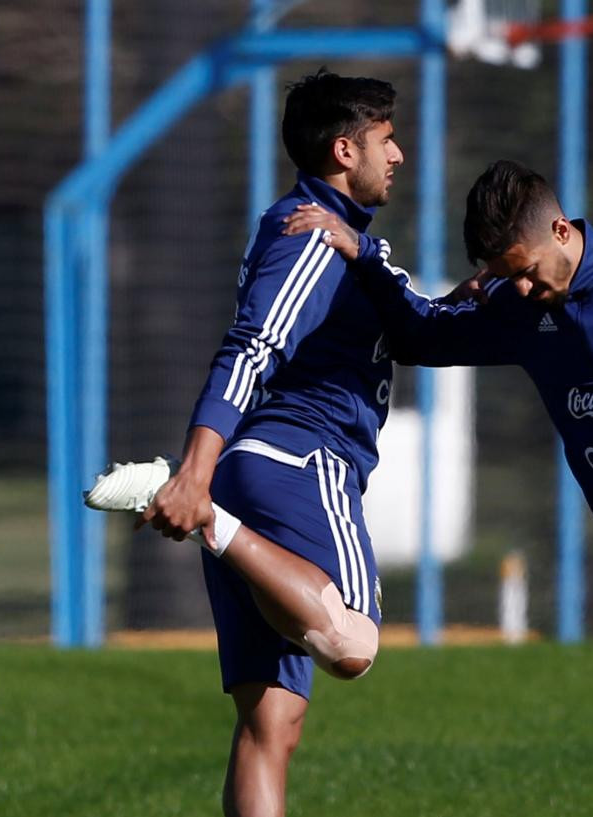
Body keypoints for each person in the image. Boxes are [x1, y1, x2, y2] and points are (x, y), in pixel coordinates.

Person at [287, 158, 593, 816]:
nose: (524, 288)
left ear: (561, 229)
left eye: (527, 269)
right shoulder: (515, 308)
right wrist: (363, 253)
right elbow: (417, 333)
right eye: (507, 276)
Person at [86, 69, 403, 817]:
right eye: (386, 140)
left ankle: (212, 514)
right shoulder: (312, 239)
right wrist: (197, 479)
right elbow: (251, 346)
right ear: (343, 149)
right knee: (353, 643)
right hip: (296, 461)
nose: (398, 155)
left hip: (248, 471)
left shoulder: (317, 229)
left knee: (270, 722)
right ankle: (210, 520)